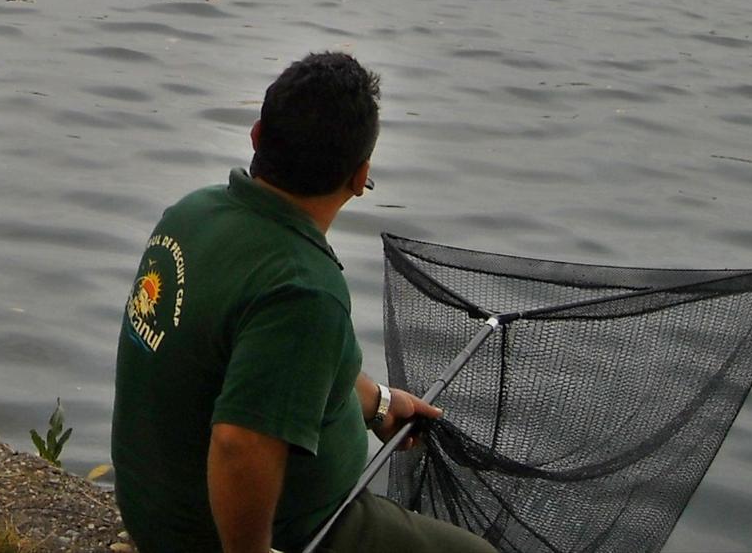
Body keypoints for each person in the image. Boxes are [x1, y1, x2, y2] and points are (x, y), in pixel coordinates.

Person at [111, 52, 494, 553]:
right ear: (359, 178)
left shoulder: (192, 214)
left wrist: (380, 405)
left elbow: (274, 369)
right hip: (259, 532)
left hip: (153, 511)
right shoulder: (301, 289)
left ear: (256, 137)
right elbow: (239, 444)